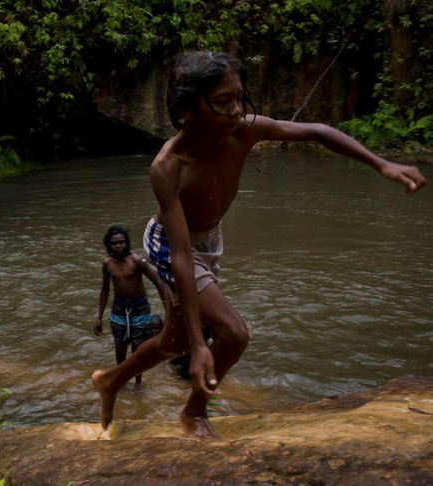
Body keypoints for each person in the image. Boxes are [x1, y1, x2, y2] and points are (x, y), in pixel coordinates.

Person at [92, 51, 427, 439]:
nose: (237, 111)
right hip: (171, 244)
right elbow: (181, 256)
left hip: (209, 236)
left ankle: (111, 380)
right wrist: (202, 346)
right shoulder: (169, 166)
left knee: (175, 340)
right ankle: (193, 413)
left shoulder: (245, 130)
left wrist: (381, 164)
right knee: (234, 335)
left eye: (239, 97)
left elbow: (317, 130)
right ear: (186, 109)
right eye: (222, 102)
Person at [94, 226, 166, 385]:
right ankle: (121, 381)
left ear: (127, 243)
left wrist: (168, 309)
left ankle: (138, 382)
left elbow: (158, 283)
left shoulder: (137, 261)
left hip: (139, 307)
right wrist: (99, 317)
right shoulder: (107, 264)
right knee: (120, 347)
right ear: (109, 245)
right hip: (119, 308)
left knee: (137, 349)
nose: (119, 246)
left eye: (121, 242)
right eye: (114, 243)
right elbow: (104, 290)